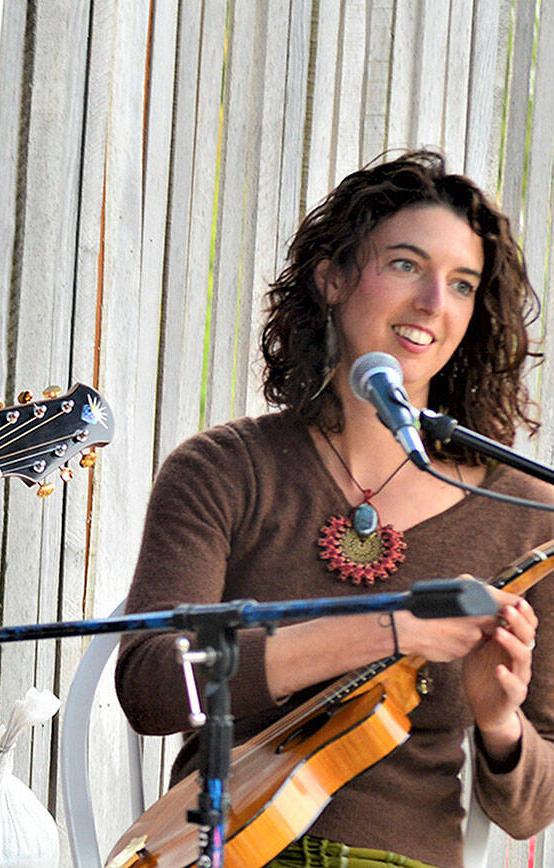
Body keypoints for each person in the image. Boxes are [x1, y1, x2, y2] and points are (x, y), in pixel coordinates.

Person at [115, 151, 554, 868]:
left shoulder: (526, 515)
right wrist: (386, 630)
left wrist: (498, 718)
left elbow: (532, 806)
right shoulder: (225, 470)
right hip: (223, 848)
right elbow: (154, 687)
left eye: (463, 285)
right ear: (333, 276)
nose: (433, 305)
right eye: (407, 266)